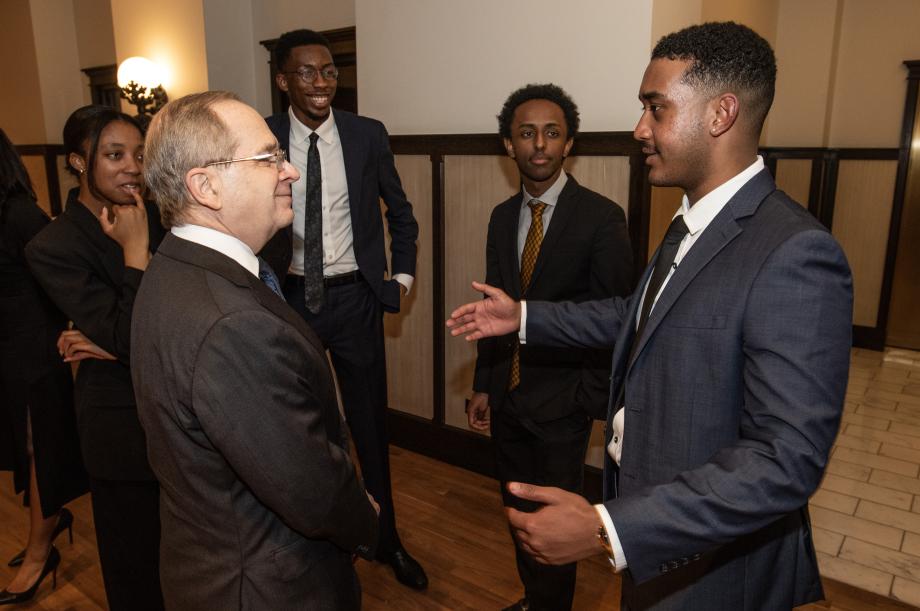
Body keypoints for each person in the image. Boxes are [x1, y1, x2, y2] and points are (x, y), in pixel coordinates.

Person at [447, 22, 853, 611]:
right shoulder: (690, 221)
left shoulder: (794, 252)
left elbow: (784, 459)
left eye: (655, 109)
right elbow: (634, 315)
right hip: (660, 538)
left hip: (712, 567)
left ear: (720, 113)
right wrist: (525, 317)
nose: (640, 129)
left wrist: (607, 529)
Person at [132, 90, 379, 610]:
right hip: (265, 587)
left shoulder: (177, 264)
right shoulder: (231, 325)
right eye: (269, 158)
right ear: (206, 186)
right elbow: (308, 487)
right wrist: (364, 519)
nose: (289, 171)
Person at [259, 28, 426, 590]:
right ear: (283, 81)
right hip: (288, 301)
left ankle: (388, 539)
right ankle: (327, 539)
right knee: (303, 428)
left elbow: (401, 215)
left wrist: (398, 280)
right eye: (306, 72)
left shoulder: (365, 135)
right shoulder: (262, 138)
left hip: (355, 300)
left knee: (368, 426)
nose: (321, 81)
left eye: (329, 70)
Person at [467, 84, 632, 611]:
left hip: (564, 406)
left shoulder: (602, 218)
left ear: (569, 145)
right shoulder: (499, 217)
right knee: (516, 511)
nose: (539, 144)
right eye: (526, 133)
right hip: (509, 399)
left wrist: (588, 399)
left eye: (552, 133)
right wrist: (483, 386)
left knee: (554, 524)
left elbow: (615, 320)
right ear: (507, 145)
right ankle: (534, 599)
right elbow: (495, 313)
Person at [25, 106, 165, 611]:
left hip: (179, 412)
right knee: (136, 571)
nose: (133, 167)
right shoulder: (52, 245)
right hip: (120, 425)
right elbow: (134, 336)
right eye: (114, 155)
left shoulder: (161, 215)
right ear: (79, 162)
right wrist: (135, 253)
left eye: (139, 155)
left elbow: (179, 317)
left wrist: (106, 341)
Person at [0, 128, 87, 605]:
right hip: (8, 346)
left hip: (33, 343)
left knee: (40, 445)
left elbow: (63, 267)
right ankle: (46, 524)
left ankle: (39, 553)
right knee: (25, 443)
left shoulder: (18, 214)